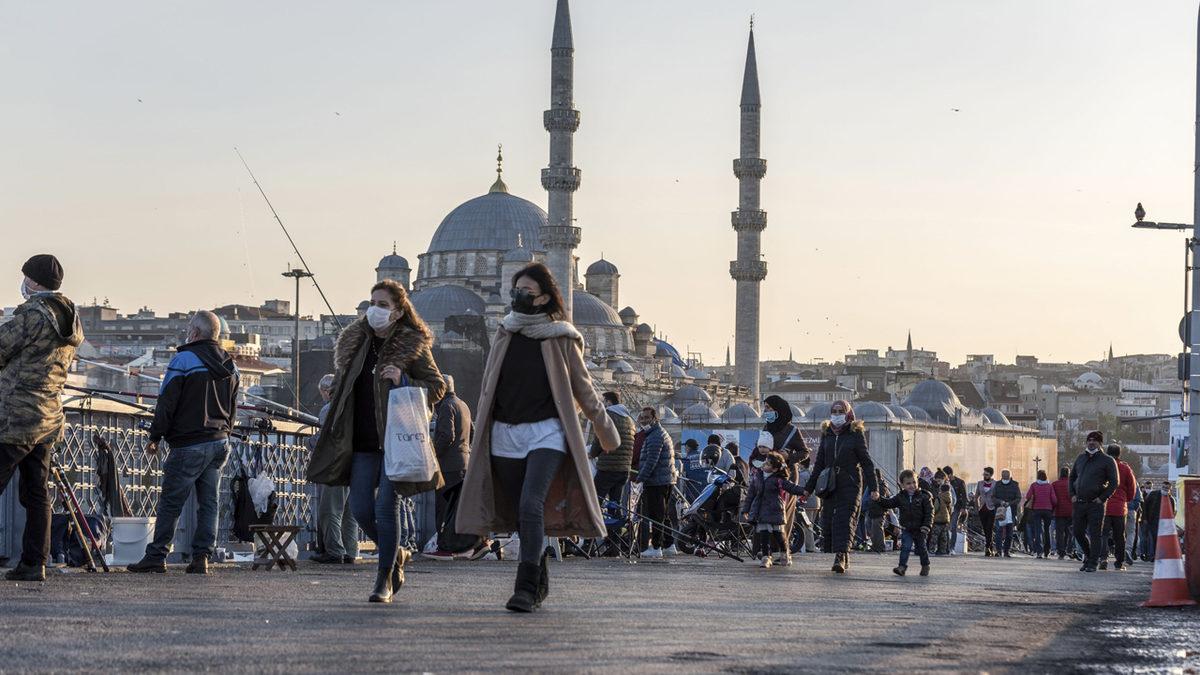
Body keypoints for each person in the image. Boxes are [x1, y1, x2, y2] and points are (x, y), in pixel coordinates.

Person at [456, 263, 618, 613]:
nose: (518, 296)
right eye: (516, 289)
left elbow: (583, 388)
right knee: (518, 512)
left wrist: (606, 431)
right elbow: (488, 385)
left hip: (546, 432)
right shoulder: (505, 331)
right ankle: (539, 569)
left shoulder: (561, 336)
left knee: (532, 505)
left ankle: (525, 587)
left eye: (526, 291)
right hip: (504, 432)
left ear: (543, 297)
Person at [307, 279, 446, 603]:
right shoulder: (355, 343)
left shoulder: (411, 345)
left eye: (383, 305)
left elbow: (437, 386)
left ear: (398, 312)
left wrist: (404, 379)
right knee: (360, 507)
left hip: (396, 440)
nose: (375, 310)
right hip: (361, 441)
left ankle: (384, 579)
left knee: (386, 506)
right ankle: (395, 553)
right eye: (372, 303)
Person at [128, 311, 239, 576]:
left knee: (171, 502)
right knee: (209, 502)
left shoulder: (184, 360)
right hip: (220, 441)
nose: (187, 332)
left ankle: (157, 556)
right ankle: (202, 558)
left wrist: (155, 436)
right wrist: (227, 430)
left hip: (189, 443)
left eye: (189, 328)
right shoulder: (230, 364)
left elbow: (167, 402)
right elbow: (233, 405)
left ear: (196, 333)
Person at [0, 254, 83, 582]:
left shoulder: (34, 315)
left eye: (25, 277)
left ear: (33, 281)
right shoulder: (71, 319)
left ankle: (33, 562)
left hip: (16, 418)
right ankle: (36, 562)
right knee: (37, 493)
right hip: (48, 418)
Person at [801, 400, 877, 574]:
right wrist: (808, 488)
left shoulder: (855, 434)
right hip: (830, 484)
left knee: (844, 519)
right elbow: (819, 463)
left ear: (848, 413)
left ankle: (840, 556)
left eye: (840, 411)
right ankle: (843, 552)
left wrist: (874, 488)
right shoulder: (826, 434)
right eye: (834, 411)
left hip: (850, 483)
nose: (837, 415)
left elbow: (866, 463)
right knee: (829, 521)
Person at [423, 374, 485, 561]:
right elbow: (472, 433)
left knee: (444, 510)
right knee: (460, 509)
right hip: (463, 464)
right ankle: (475, 543)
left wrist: (431, 455)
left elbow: (446, 436)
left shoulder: (446, 407)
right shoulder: (463, 405)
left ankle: (445, 546)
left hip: (448, 467)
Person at [310, 374, 359, 565]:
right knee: (349, 512)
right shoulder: (354, 406)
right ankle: (350, 551)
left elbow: (324, 438)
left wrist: (309, 442)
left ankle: (334, 550)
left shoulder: (328, 409)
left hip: (335, 465)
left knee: (329, 510)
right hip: (354, 464)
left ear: (326, 391)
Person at [742, 446, 807, 568]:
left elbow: (791, 487)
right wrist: (746, 509)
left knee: (779, 535)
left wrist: (804, 491)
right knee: (764, 535)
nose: (764, 465)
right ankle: (766, 557)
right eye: (765, 462)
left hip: (775, 510)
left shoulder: (778, 479)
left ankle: (785, 553)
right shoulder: (757, 477)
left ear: (775, 469)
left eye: (767, 464)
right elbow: (751, 494)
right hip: (761, 511)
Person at [762, 395, 810, 554]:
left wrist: (789, 457)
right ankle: (769, 549)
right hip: (769, 474)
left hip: (787, 475)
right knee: (768, 510)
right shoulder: (766, 428)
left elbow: (804, 452)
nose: (766, 411)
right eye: (765, 408)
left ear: (778, 409)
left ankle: (782, 550)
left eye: (769, 408)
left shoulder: (792, 430)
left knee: (783, 512)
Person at [1068, 431, 1119, 573]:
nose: (1091, 442)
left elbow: (1114, 482)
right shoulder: (1080, 458)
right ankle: (1089, 556)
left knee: (1095, 534)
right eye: (1089, 440)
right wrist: (1072, 494)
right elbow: (1072, 478)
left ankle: (1092, 563)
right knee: (1077, 532)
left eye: (1094, 440)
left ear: (1100, 443)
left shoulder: (1107, 460)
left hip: (1095, 504)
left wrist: (1102, 498)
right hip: (1079, 502)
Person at [633, 407, 676, 559]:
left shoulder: (655, 436)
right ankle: (669, 544)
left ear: (655, 419)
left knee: (656, 515)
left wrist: (640, 478)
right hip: (664, 479)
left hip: (657, 481)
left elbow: (651, 461)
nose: (643, 420)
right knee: (663, 514)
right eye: (642, 417)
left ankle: (657, 547)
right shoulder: (656, 433)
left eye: (646, 418)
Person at [876, 469, 933, 577]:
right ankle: (902, 566)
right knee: (905, 547)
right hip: (907, 528)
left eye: (914, 482)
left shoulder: (924, 496)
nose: (912, 485)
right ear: (902, 485)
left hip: (920, 528)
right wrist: (879, 499)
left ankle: (925, 565)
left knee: (921, 548)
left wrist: (926, 526)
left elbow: (929, 512)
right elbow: (889, 503)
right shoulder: (900, 497)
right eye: (908, 483)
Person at [589, 391, 636, 506]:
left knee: (595, 499)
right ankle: (615, 522)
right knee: (615, 501)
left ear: (608, 402)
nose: (602, 404)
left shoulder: (608, 415)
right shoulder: (629, 419)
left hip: (608, 467)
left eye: (603, 401)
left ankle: (594, 523)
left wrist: (592, 454)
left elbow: (600, 438)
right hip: (624, 469)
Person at [1098, 444, 1136, 571]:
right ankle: (1119, 563)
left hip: (1104, 506)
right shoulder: (1125, 468)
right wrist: (1126, 499)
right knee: (1119, 536)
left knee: (1103, 534)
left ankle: (1103, 558)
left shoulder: (1102, 467)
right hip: (1120, 507)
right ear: (1120, 454)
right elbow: (1132, 488)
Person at [1024, 469, 1057, 559]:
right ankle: (1047, 551)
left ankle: (1039, 551)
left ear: (1037, 476)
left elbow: (1027, 496)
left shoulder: (1034, 485)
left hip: (1036, 510)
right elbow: (1054, 500)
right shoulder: (1049, 486)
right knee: (1047, 531)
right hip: (1048, 510)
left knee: (1038, 531)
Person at [1140, 481, 1175, 562]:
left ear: (1170, 489)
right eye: (1163, 487)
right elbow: (1145, 506)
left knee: (1160, 539)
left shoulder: (1171, 499)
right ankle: (1152, 555)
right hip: (1152, 521)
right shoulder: (1153, 495)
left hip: (1164, 522)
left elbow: (1172, 512)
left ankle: (1157, 555)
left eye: (1167, 488)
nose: (1165, 489)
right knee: (1153, 538)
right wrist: (1144, 518)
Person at [992, 469, 1021, 558]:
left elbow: (1018, 498)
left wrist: (1010, 503)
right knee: (998, 531)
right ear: (1001, 476)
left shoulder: (1015, 485)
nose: (1005, 477)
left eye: (1006, 476)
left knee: (1009, 532)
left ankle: (1006, 551)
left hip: (1011, 511)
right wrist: (1000, 501)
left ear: (1009, 476)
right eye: (1003, 476)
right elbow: (993, 497)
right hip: (999, 511)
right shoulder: (997, 484)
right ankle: (998, 551)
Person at [943, 466, 968, 556]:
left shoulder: (959, 482)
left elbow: (964, 496)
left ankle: (952, 548)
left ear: (949, 474)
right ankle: (944, 547)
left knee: (953, 527)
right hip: (945, 508)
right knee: (944, 527)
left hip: (957, 507)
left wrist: (964, 507)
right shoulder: (944, 483)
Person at [974, 467, 998, 557]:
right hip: (982, 509)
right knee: (985, 529)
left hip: (992, 508)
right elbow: (976, 496)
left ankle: (987, 547)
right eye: (984, 474)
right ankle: (990, 548)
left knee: (989, 528)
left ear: (991, 475)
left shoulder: (995, 484)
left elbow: (997, 495)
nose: (985, 476)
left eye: (986, 474)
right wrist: (976, 507)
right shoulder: (980, 483)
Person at [1051, 466, 1073, 559]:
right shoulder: (1072, 483)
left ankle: (1061, 552)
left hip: (1059, 511)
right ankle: (1069, 549)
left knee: (1059, 533)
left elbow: (1053, 498)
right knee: (1070, 532)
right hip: (1071, 511)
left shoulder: (1055, 484)